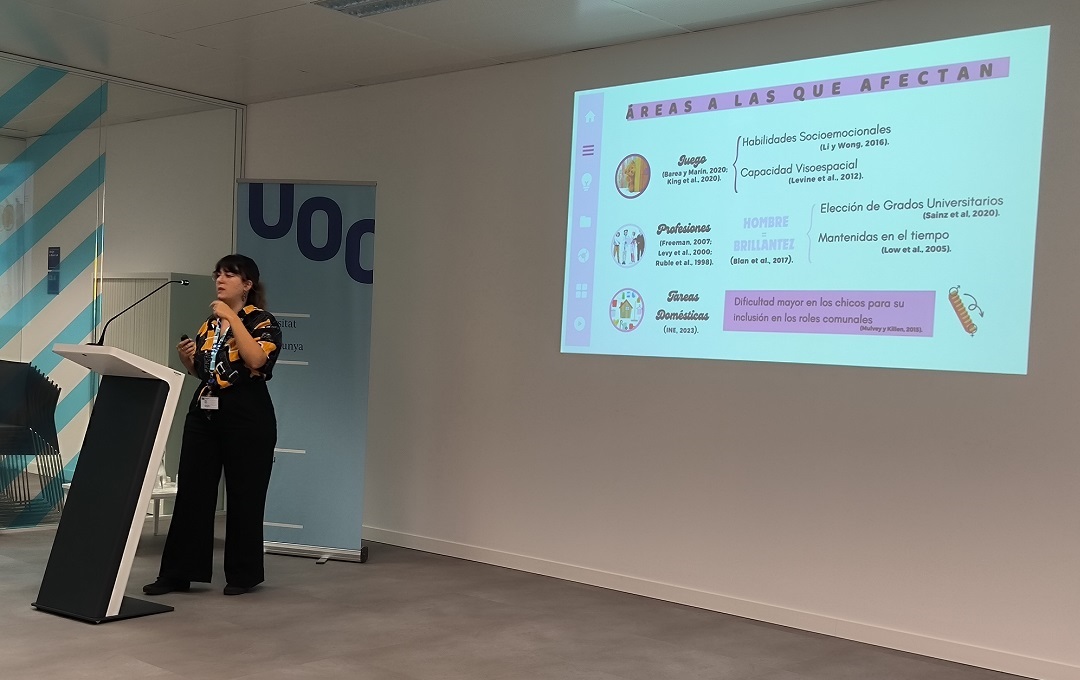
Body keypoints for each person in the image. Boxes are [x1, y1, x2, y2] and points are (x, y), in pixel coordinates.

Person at [143, 254, 282, 596]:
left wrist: (232, 318)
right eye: (217, 274)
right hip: (205, 414)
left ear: (247, 284)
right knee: (192, 493)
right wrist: (188, 360)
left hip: (247, 416)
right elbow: (209, 374)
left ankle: (243, 575)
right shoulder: (209, 324)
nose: (220, 280)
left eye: (229, 275)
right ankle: (178, 573)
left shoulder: (262, 321)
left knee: (245, 496)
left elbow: (257, 361)